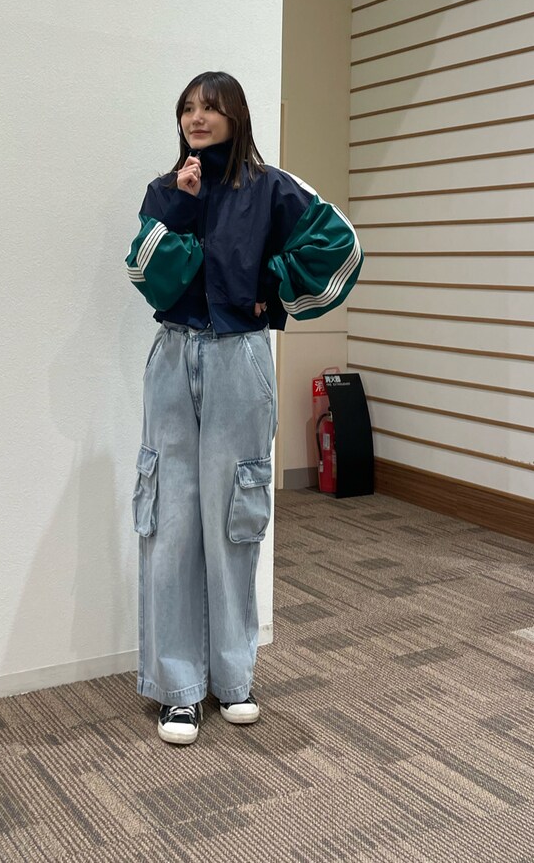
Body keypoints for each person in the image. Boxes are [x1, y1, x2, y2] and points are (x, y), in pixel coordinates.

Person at [125, 71, 363, 745]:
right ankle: (177, 689)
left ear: (236, 116)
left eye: (210, 107)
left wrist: (272, 280)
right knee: (171, 519)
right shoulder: (165, 189)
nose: (196, 118)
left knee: (235, 518)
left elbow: (343, 246)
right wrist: (178, 207)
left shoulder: (272, 188)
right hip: (174, 356)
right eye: (187, 108)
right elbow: (146, 274)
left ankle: (233, 677)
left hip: (240, 357)